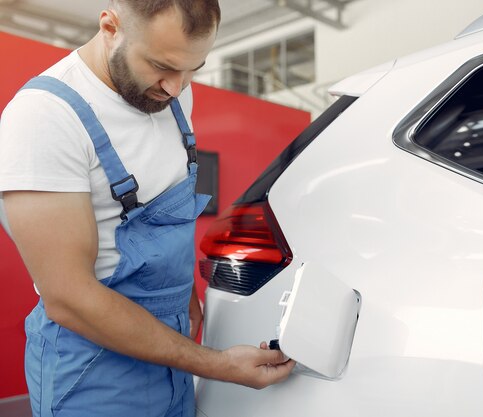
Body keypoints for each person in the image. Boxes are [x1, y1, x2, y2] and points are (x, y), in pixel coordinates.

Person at [0, 1, 295, 416]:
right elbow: (68, 297)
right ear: (110, 26)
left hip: (171, 351)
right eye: (161, 65)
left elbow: (162, 213)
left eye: (194, 68)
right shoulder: (44, 118)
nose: (176, 87)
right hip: (92, 371)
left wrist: (185, 300)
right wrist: (219, 365)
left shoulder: (172, 95)